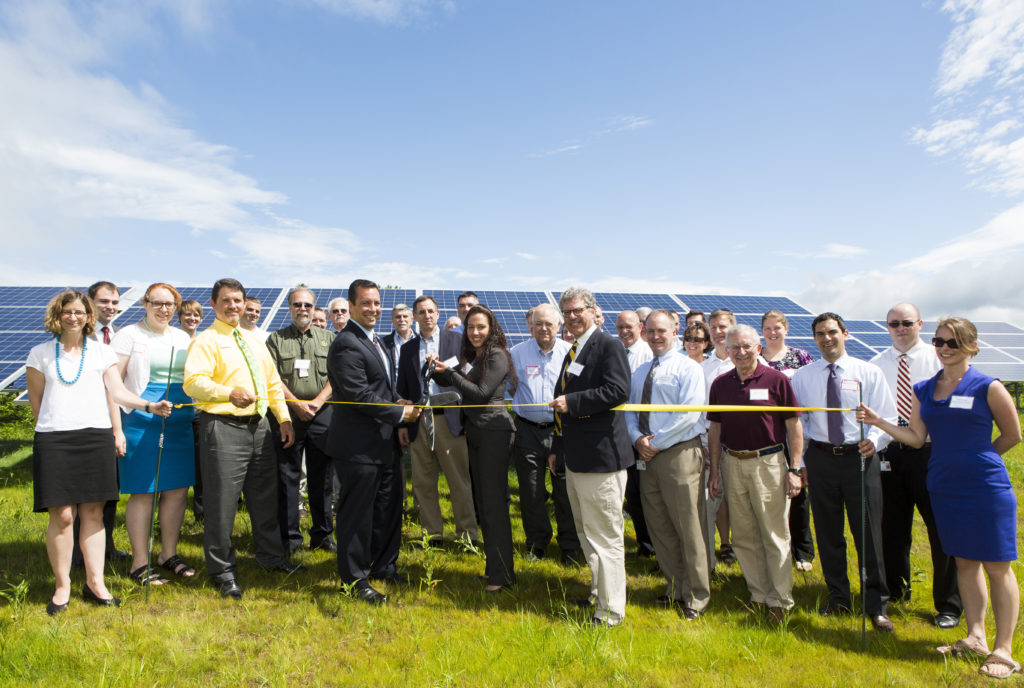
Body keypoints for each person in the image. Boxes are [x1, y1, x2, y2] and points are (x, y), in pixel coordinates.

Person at [859, 317, 1022, 677]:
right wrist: (879, 421)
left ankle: (1004, 650)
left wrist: (978, 461)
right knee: (963, 562)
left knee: (997, 566)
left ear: (972, 346)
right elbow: (917, 438)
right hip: (944, 485)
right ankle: (975, 636)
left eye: (954, 342)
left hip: (984, 487)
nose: (945, 348)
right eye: (940, 342)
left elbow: (1012, 435)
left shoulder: (988, 386)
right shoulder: (924, 388)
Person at [26, 290, 172, 615]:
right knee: (63, 516)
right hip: (55, 440)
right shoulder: (39, 355)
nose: (74, 317)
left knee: (93, 513)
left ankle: (96, 583)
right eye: (67, 311)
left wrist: (148, 405)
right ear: (57, 315)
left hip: (95, 438)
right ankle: (62, 586)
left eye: (80, 312)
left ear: (88, 316)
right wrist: (55, 429)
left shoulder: (102, 352)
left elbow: (117, 392)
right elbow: (37, 404)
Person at [183, 278, 302, 600]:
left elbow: (273, 383)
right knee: (222, 503)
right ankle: (222, 571)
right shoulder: (206, 341)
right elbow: (193, 383)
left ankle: (271, 558)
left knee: (265, 498)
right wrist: (227, 393)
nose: (233, 306)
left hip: (261, 428)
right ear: (213, 304)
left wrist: (284, 418)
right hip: (222, 427)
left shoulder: (253, 340)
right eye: (226, 301)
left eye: (237, 300)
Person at [791, 312, 896, 632]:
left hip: (860, 458)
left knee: (868, 534)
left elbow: (886, 417)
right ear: (814, 339)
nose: (827, 338)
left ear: (845, 334)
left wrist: (874, 441)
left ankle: (876, 604)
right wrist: (803, 463)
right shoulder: (802, 377)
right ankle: (838, 597)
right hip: (821, 458)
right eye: (820, 334)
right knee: (827, 531)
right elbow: (799, 423)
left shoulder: (869, 372)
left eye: (832, 332)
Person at [326, 279, 421, 605]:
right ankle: (354, 580)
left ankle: (384, 566)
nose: (373, 309)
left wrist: (401, 402)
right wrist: (401, 413)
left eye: (377, 303)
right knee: (357, 514)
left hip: (384, 443)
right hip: (358, 447)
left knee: (387, 508)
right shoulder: (346, 344)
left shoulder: (377, 342)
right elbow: (358, 396)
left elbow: (383, 389)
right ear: (351, 306)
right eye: (366, 303)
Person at [870, 303, 961, 628]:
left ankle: (949, 605)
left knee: (940, 531)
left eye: (907, 322)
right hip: (890, 452)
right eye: (893, 323)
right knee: (892, 530)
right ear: (887, 326)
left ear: (920, 324)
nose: (900, 328)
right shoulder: (876, 364)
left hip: (932, 454)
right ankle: (896, 592)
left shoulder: (940, 359)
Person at [707, 324, 804, 624]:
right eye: (734, 347)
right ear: (727, 350)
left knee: (774, 534)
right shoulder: (721, 384)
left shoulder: (776, 380)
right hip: (731, 462)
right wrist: (714, 470)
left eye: (747, 346)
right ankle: (758, 594)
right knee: (745, 535)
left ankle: (780, 600)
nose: (741, 352)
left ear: (758, 347)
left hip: (769, 463)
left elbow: (793, 425)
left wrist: (795, 468)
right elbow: (715, 428)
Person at [547, 287, 633, 627]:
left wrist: (574, 403)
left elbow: (617, 390)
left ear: (593, 311)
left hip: (601, 461)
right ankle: (599, 594)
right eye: (566, 312)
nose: (571, 317)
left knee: (606, 536)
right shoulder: (576, 350)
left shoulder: (608, 346)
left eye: (577, 310)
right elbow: (563, 402)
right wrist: (558, 448)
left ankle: (611, 612)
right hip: (576, 457)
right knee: (587, 533)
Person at [110, 283, 196, 586]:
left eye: (170, 304)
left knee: (176, 491)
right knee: (144, 491)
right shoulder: (128, 335)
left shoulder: (182, 337)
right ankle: (139, 562)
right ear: (145, 304)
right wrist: (123, 424)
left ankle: (167, 554)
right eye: (157, 303)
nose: (163, 309)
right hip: (142, 419)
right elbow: (114, 385)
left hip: (179, 421)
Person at [625, 310, 708, 618]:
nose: (656, 336)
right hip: (647, 456)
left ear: (676, 332)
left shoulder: (688, 369)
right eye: (651, 331)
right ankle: (675, 587)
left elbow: (688, 415)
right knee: (660, 527)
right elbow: (629, 412)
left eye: (662, 330)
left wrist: (653, 443)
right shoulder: (640, 371)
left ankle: (697, 596)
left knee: (688, 527)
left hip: (677, 454)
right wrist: (637, 440)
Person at [432, 305, 517, 592]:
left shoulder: (497, 355)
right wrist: (438, 370)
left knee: (494, 505)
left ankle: (503, 576)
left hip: (494, 432)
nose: (475, 332)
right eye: (470, 328)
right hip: (477, 433)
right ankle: (495, 568)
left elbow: (479, 395)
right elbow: (454, 383)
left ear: (491, 328)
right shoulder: (475, 357)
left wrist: (452, 375)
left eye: (481, 327)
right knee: (484, 503)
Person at [396, 295, 477, 546]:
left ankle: (467, 536)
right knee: (423, 481)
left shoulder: (458, 341)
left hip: (450, 419)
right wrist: (402, 423)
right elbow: (402, 389)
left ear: (438, 314)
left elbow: (471, 380)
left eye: (430, 311)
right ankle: (432, 534)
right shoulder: (408, 348)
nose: (427, 316)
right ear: (415, 317)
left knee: (459, 481)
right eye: (421, 312)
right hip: (420, 419)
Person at [266, 287, 337, 555]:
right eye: (297, 304)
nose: (303, 309)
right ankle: (290, 539)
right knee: (288, 478)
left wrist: (317, 402)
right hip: (288, 417)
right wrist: (295, 405)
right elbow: (272, 378)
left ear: (314, 307)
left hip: (323, 415)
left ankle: (322, 534)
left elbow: (336, 375)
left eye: (307, 304)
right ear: (290, 307)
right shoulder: (275, 339)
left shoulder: (329, 338)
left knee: (323, 478)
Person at [508, 304, 578, 564]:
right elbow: (509, 387)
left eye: (549, 324)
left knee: (565, 491)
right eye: (539, 324)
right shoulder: (516, 354)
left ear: (559, 325)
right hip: (526, 430)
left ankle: (569, 546)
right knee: (531, 490)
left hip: (562, 431)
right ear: (531, 326)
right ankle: (537, 542)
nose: (544, 328)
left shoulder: (572, 354)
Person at [72, 280, 126, 568]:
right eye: (104, 301)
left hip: (112, 421)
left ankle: (105, 546)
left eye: (115, 302)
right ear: (90, 303)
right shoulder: (77, 336)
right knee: (86, 492)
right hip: (84, 423)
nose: (110, 307)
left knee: (109, 489)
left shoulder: (115, 336)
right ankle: (78, 552)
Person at [761, 309, 815, 572]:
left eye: (777, 328)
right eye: (768, 328)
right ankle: (771, 546)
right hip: (766, 434)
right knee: (770, 493)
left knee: (799, 491)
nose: (772, 333)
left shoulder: (801, 357)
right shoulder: (756, 356)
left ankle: (802, 550)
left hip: (795, 431)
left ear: (786, 329)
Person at [616, 309, 655, 559]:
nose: (624, 332)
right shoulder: (615, 351)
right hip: (622, 433)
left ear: (640, 327)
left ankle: (654, 543)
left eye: (629, 326)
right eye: (620, 327)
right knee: (631, 494)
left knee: (648, 493)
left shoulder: (649, 353)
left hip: (645, 434)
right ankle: (645, 544)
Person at [702, 309, 737, 569]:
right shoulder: (704, 367)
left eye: (722, 326)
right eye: (712, 327)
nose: (717, 332)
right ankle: (710, 558)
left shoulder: (748, 361)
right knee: (712, 498)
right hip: (710, 444)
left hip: (743, 446)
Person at [177, 299, 205, 522]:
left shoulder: (204, 341)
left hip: (198, 409)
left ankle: (201, 512)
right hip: (175, 408)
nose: (191, 319)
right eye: (187, 315)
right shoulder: (172, 341)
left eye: (196, 315)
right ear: (179, 317)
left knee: (200, 463)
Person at [382, 304, 415, 370]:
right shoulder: (383, 343)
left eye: (405, 316)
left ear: (412, 320)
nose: (402, 319)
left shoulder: (421, 341)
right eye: (398, 317)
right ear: (392, 321)